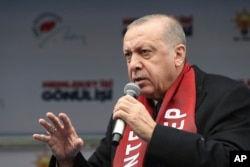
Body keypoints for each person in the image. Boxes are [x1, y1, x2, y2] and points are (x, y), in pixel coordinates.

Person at [33, 14, 250, 167]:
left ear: (178, 55)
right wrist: (68, 160)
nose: (133, 64)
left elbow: (238, 159)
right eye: (128, 55)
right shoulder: (130, 110)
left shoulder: (227, 96)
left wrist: (154, 134)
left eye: (144, 52)